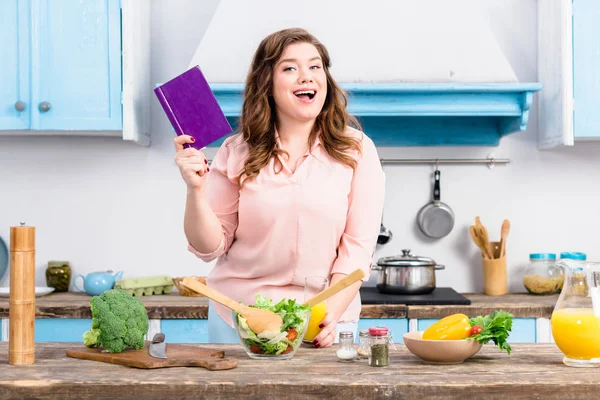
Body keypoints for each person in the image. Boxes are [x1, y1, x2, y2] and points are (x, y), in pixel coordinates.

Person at [173, 28, 385, 347]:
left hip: (322, 323)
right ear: (267, 84)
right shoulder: (236, 151)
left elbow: (357, 249)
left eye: (315, 67)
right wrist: (194, 189)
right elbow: (208, 247)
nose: (307, 76)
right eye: (290, 68)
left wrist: (330, 316)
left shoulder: (358, 151)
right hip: (239, 321)